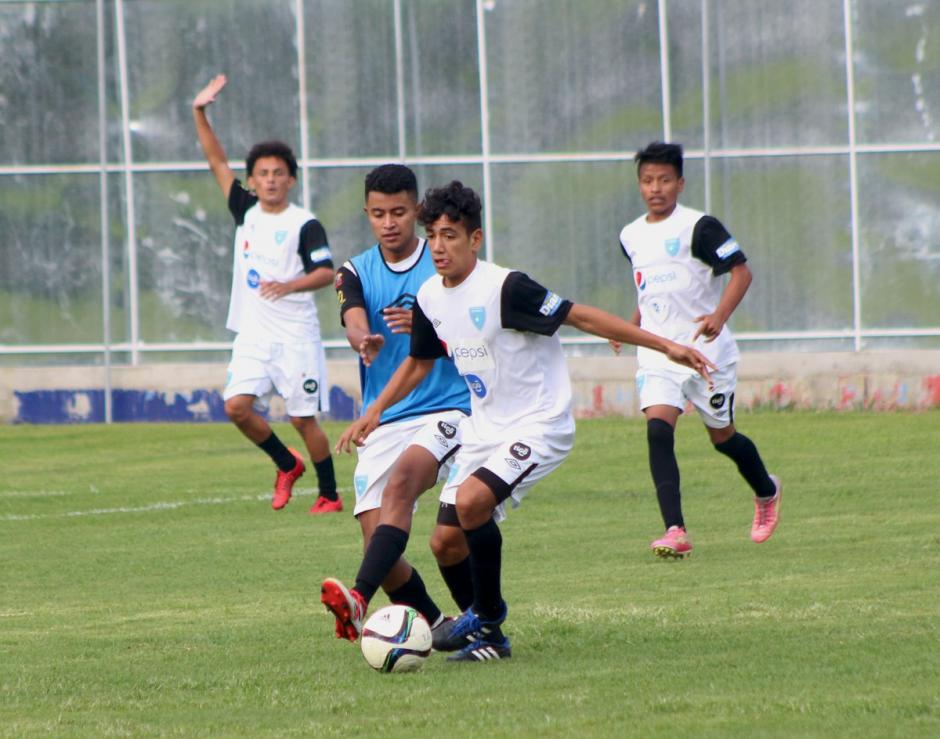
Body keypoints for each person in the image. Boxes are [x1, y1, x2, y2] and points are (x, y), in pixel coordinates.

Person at [333, 181, 714, 662]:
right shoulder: (430, 296)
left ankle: (487, 619)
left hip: (538, 425)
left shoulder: (506, 288)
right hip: (483, 429)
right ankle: (489, 637)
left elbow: (580, 316)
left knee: (471, 502)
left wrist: (666, 345)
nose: (438, 247)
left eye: (450, 236)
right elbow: (419, 362)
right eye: (432, 236)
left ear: (475, 239)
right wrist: (374, 411)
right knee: (445, 543)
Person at [319, 165, 474, 644]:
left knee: (404, 484)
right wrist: (362, 338)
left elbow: (475, 326)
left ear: (416, 211)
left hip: (450, 408)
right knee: (379, 546)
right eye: (378, 213)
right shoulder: (354, 271)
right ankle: (441, 626)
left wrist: (430, 327)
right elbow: (352, 316)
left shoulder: (444, 258)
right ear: (367, 213)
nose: (389, 223)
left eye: (399, 212)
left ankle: (358, 599)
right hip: (385, 417)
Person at [616, 141, 782, 559]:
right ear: (639, 185)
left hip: (708, 352)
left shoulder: (701, 227)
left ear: (680, 183)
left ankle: (766, 491)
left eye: (664, 180)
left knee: (723, 437)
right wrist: (629, 327)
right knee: (658, 429)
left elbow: (742, 274)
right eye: (648, 180)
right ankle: (675, 530)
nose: (656, 188)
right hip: (659, 352)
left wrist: (718, 317)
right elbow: (649, 289)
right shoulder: (630, 235)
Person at [192, 74, 339, 514]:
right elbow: (216, 162)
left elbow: (326, 272)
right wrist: (199, 112)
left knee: (302, 418)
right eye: (263, 174)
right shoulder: (246, 211)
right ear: (252, 181)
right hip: (254, 335)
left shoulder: (304, 224)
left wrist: (289, 285)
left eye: (278, 173)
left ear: (291, 180)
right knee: (236, 407)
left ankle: (329, 495)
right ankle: (286, 463)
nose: (271, 180)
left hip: (296, 336)